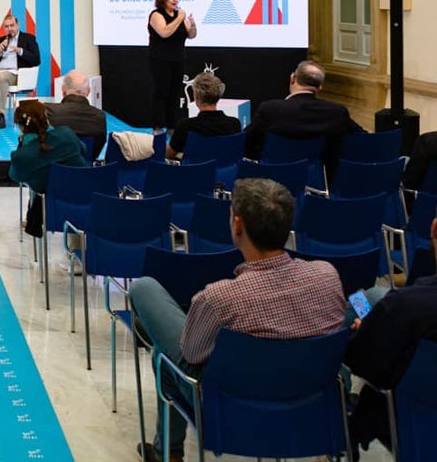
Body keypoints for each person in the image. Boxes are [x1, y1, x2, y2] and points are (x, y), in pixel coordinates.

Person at [128, 178, 347, 462]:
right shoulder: (328, 276)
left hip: (231, 409)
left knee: (159, 343)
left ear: (238, 225)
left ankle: (168, 454)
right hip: (310, 401)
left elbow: (191, 354)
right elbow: (347, 314)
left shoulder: (218, 298)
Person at [343, 216, 437, 457]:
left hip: (409, 405)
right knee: (375, 294)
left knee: (357, 301)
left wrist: (364, 329)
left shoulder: (403, 306)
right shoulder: (402, 302)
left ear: (434, 229)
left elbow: (359, 359)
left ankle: (348, 403)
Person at [243, 59, 363, 179]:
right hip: (317, 179)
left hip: (271, 177)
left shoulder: (270, 109)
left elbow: (246, 140)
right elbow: (362, 138)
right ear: (320, 87)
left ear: (292, 79)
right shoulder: (337, 112)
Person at [10, 98, 89, 238]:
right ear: (46, 117)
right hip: (89, 201)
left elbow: (16, 176)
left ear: (21, 127)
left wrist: (22, 144)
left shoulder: (22, 156)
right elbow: (84, 150)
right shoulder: (67, 133)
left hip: (53, 209)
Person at [0, 14, 41, 129]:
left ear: (18, 25)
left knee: (2, 77)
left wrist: (20, 51)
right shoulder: (1, 41)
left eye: (12, 25)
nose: (10, 28)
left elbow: (36, 59)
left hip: (15, 72)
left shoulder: (28, 39)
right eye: (6, 26)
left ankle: (1, 114)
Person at [147, 0, 196, 134]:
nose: (175, 0)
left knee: (175, 93)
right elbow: (164, 33)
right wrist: (179, 18)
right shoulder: (156, 14)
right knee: (162, 92)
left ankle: (171, 125)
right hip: (160, 60)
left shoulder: (179, 15)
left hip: (178, 59)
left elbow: (191, 35)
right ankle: (157, 125)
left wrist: (192, 25)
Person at [165, 71, 241, 160]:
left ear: (196, 96)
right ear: (218, 96)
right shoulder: (234, 124)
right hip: (225, 172)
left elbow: (168, 154)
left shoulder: (186, 126)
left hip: (194, 172)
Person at [45, 70, 106, 158]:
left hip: (54, 169)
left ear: (63, 90)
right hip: (86, 168)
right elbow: (95, 151)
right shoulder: (99, 117)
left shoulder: (48, 111)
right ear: (88, 91)